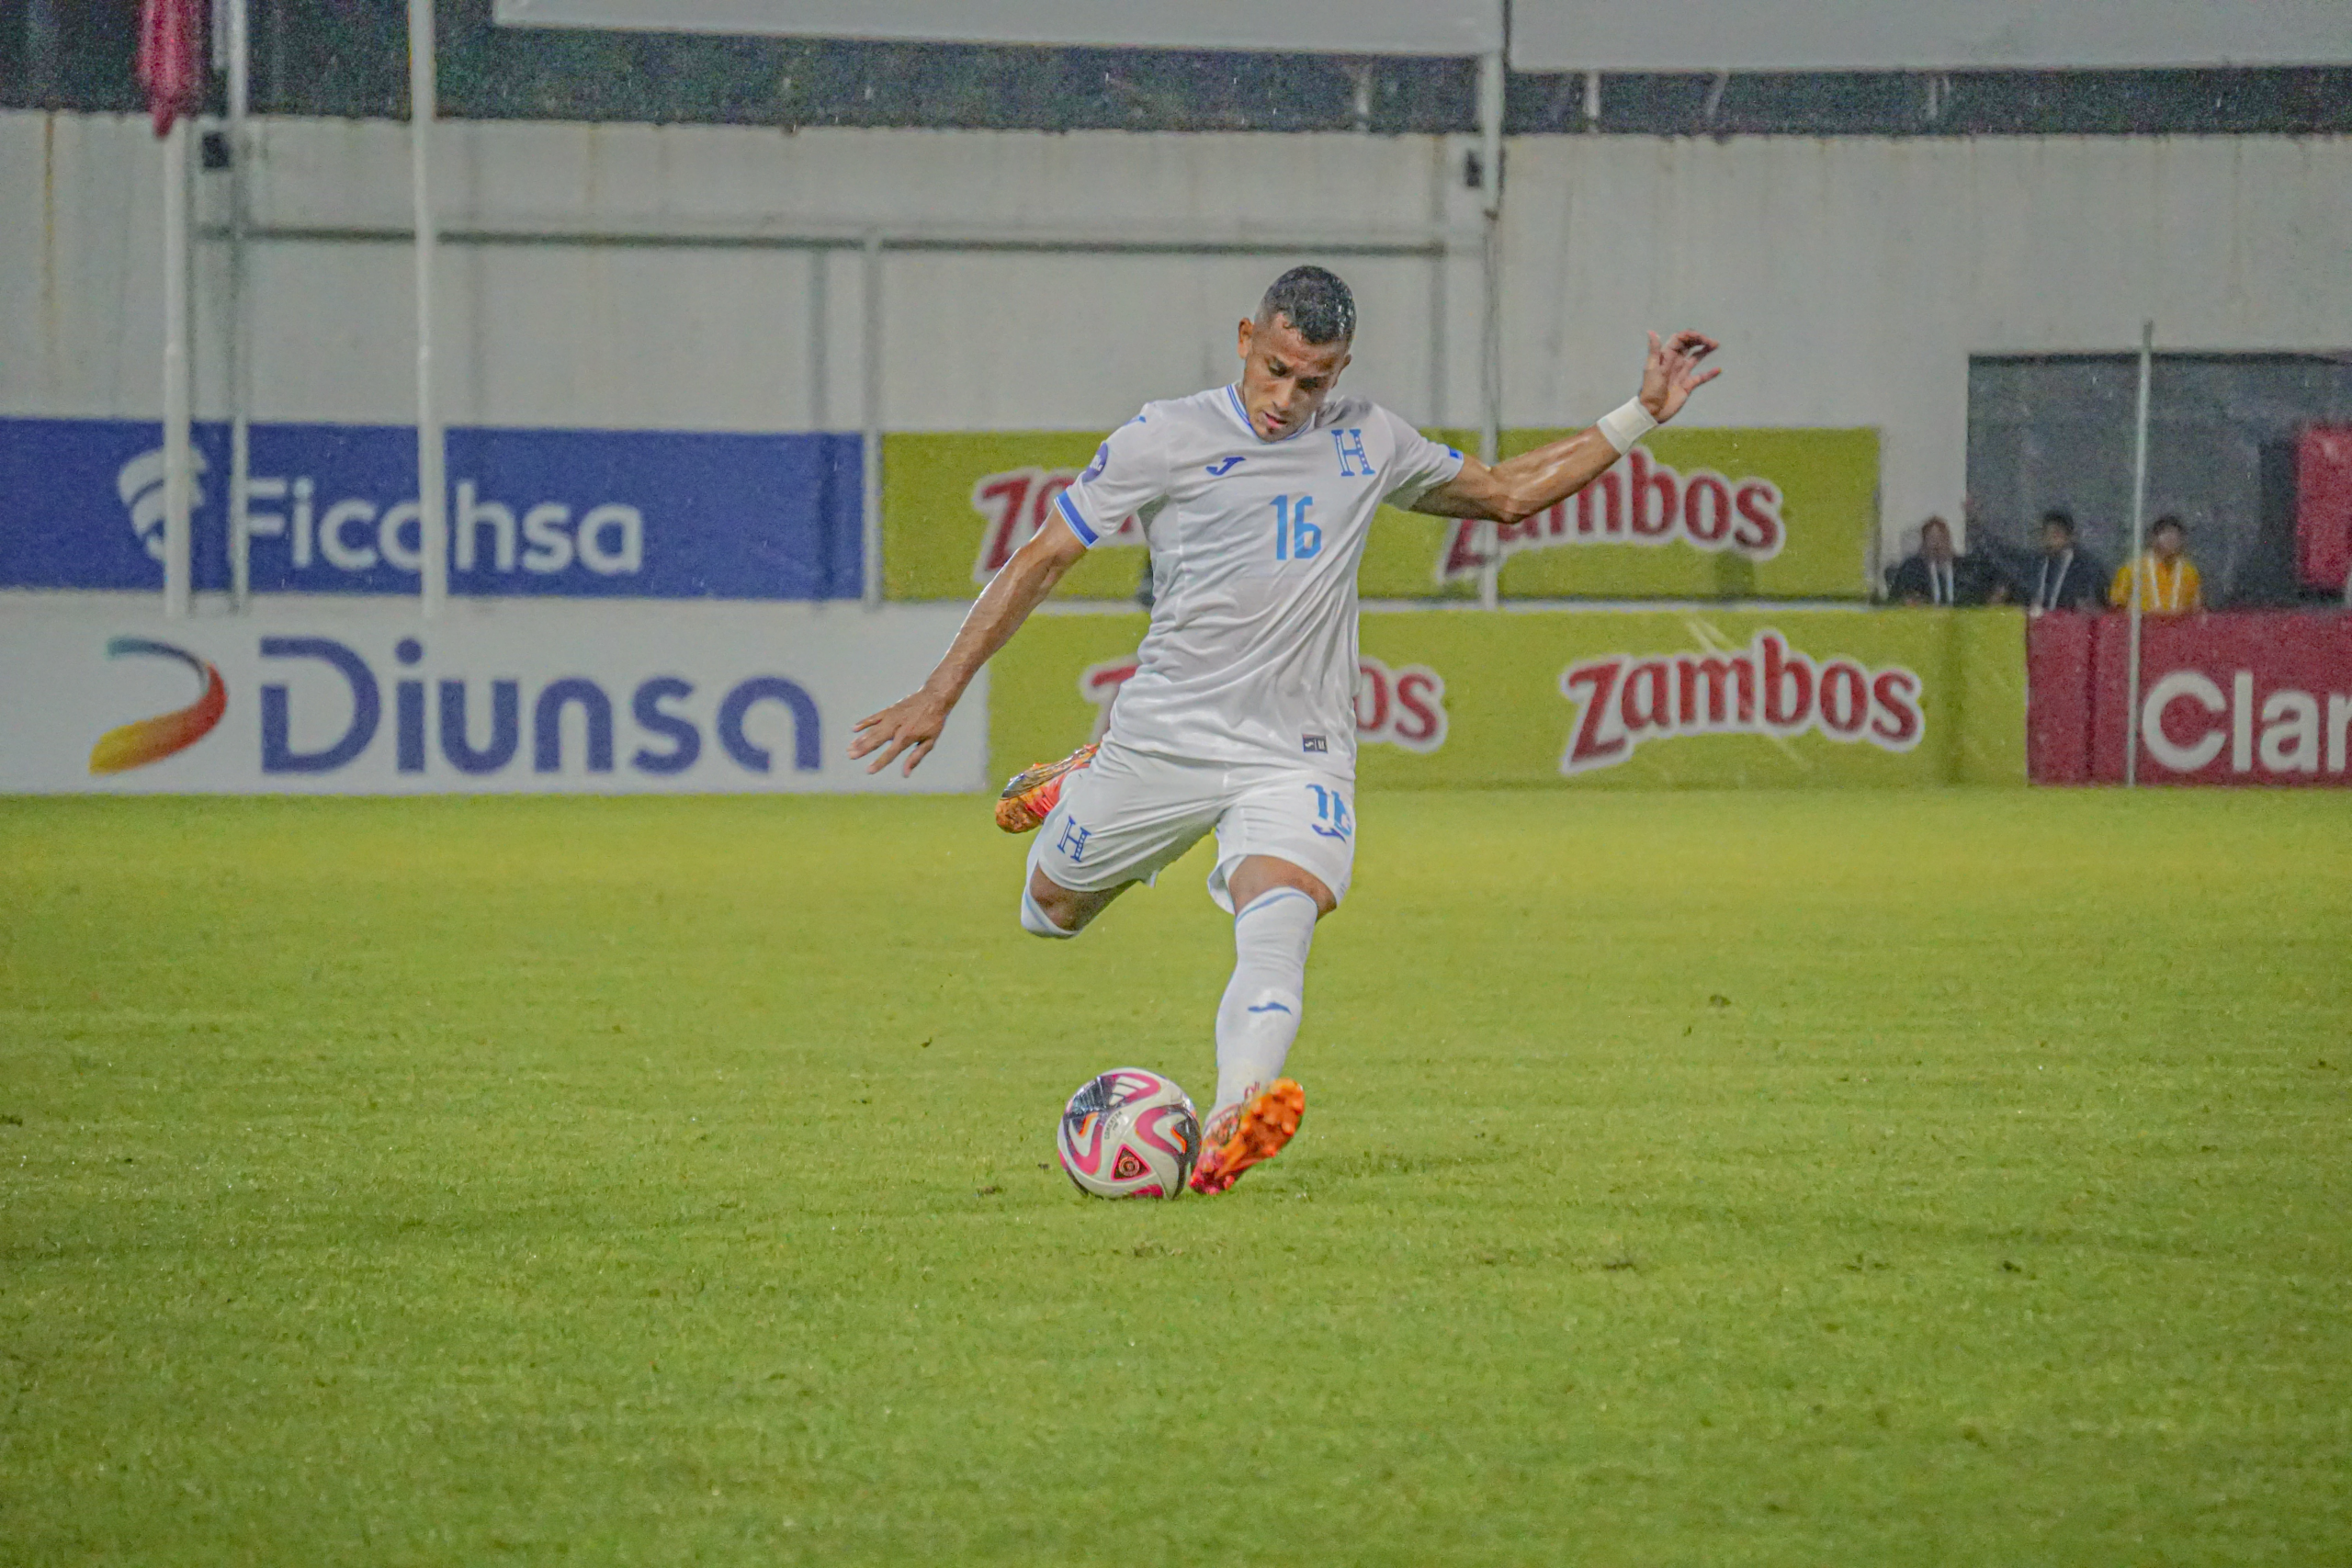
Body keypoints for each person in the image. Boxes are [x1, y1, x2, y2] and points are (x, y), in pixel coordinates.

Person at [848, 265, 1720, 1194]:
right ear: (1244, 340)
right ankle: (1083, 776)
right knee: (1050, 911)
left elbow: (1506, 493)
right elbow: (1043, 556)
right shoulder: (1164, 436)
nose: (1286, 398)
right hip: (1166, 737)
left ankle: (1231, 1119)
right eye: (1274, 370)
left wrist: (1640, 413)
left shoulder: (1369, 440)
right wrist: (940, 690)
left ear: (1340, 370)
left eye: (1313, 381)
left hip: (1295, 751)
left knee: (1281, 918)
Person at [1886, 516, 2004, 605]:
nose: (1936, 545)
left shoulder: (1966, 567)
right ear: (1923, 544)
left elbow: (1989, 589)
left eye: (1941, 539)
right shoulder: (1912, 570)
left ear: (1948, 541)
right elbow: (1895, 600)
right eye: (1931, 539)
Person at [2109, 514, 2203, 615]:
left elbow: (2196, 608)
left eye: (2175, 536)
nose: (2170, 540)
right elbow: (2117, 605)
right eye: (2166, 535)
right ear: (2153, 539)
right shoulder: (2132, 569)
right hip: (2143, 627)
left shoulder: (2189, 571)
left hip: (2179, 627)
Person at [2026, 509, 2109, 613]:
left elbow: (2094, 604)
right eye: (2045, 533)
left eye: (2056, 533)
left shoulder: (2087, 567)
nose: (2049, 539)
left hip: (2070, 624)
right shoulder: (2034, 564)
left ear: (2070, 536)